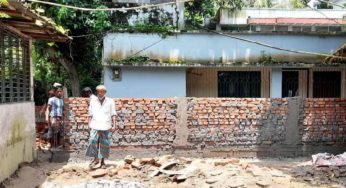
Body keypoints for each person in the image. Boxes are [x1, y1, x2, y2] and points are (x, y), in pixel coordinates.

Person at [86, 85, 117, 169]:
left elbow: (113, 114)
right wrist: (89, 124)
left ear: (105, 92)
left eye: (101, 91)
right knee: (92, 140)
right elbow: (90, 114)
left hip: (106, 125)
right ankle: (95, 159)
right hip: (95, 125)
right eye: (98, 91)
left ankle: (102, 162)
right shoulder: (93, 101)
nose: (100, 93)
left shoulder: (110, 101)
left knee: (104, 144)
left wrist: (114, 125)